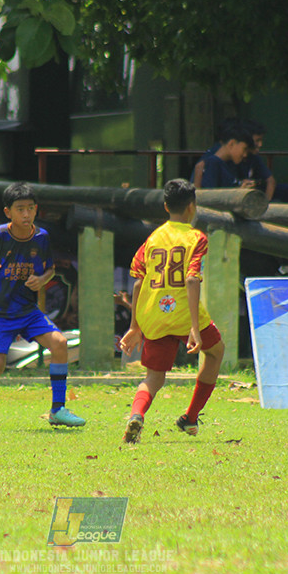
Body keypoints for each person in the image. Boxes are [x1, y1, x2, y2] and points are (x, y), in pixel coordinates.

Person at [0, 182, 86, 432]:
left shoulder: (41, 237)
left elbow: (50, 268)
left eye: (30, 209)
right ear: (8, 212)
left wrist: (41, 280)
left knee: (60, 344)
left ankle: (58, 410)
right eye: (20, 209)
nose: (26, 214)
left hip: (28, 313)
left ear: (36, 210)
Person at [119, 178, 224, 444]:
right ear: (192, 207)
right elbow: (191, 279)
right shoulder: (195, 238)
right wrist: (193, 328)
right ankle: (190, 417)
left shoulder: (153, 238)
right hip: (183, 314)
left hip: (153, 312)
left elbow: (139, 281)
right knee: (215, 352)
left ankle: (136, 415)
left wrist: (135, 326)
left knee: (153, 377)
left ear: (166, 206)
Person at [191, 121, 254, 190]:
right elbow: (210, 196)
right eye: (244, 149)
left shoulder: (231, 164)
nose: (245, 155)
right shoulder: (213, 163)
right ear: (231, 144)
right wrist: (238, 191)